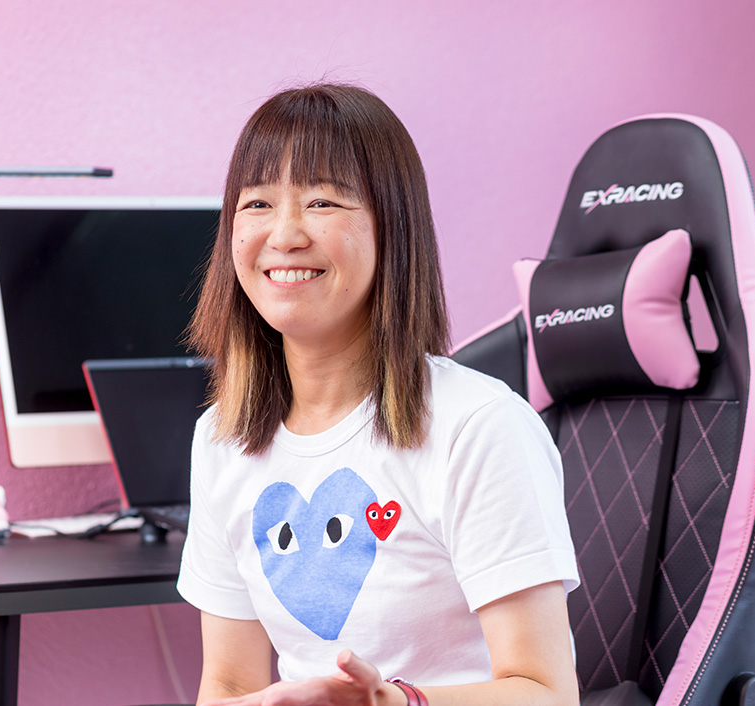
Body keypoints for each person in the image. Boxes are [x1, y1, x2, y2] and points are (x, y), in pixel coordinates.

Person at [177, 83, 580, 706]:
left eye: (322, 201)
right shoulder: (220, 438)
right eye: (256, 203)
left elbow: (547, 693)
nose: (284, 234)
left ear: (392, 227)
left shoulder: (478, 425)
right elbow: (230, 684)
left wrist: (395, 702)